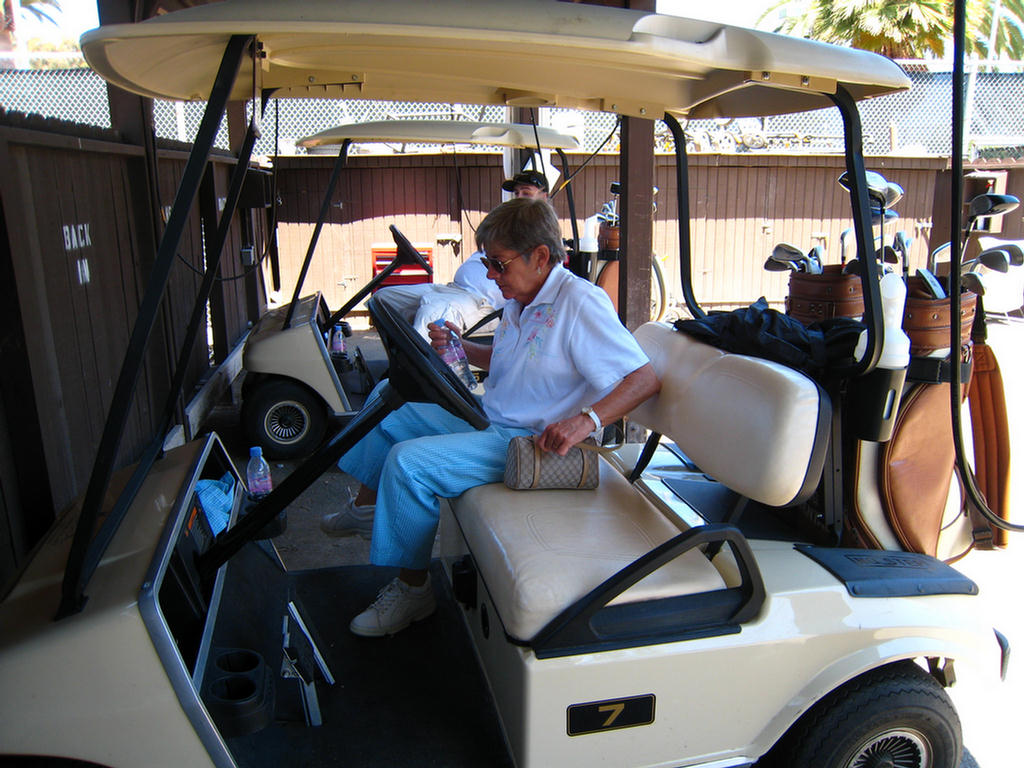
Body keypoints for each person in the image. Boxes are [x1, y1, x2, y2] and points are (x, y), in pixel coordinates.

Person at [321, 197, 660, 638]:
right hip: (490, 416)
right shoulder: (522, 298)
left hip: (528, 443)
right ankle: (368, 509)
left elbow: (644, 378)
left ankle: (413, 590)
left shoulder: (579, 302)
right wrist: (461, 347)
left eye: (499, 265)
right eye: (488, 264)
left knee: (409, 463)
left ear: (541, 256)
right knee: (391, 399)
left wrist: (585, 422)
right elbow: (506, 359)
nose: (491, 277)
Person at [374, 171, 550, 337]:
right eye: (516, 193)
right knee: (383, 299)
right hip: (452, 288)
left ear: (544, 197)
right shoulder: (504, 225)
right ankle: (400, 357)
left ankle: (416, 367)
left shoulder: (537, 237)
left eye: (525, 193)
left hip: (479, 302)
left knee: (432, 314)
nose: (518, 198)